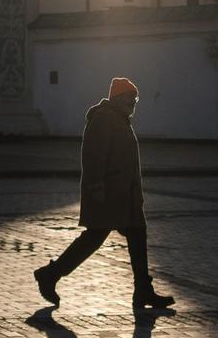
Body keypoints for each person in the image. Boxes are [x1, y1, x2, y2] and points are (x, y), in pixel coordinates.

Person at [34, 77, 175, 313]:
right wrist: (96, 187)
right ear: (119, 98)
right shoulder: (103, 120)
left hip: (126, 196)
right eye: (131, 98)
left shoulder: (120, 120)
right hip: (109, 194)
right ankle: (50, 274)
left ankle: (143, 290)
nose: (134, 102)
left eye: (135, 98)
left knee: (137, 238)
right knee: (93, 239)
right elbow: (93, 157)